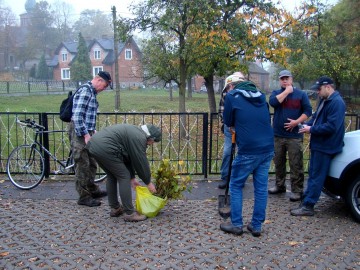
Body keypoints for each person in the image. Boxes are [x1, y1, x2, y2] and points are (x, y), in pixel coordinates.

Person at [220, 80, 274, 237]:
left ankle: (237, 224)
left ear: (232, 87)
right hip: (267, 148)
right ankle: (256, 226)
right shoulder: (261, 97)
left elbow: (228, 121)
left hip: (248, 149)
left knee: (236, 184)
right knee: (261, 187)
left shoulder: (232, 96)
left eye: (227, 90)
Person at [291, 76, 345, 216]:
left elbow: (331, 126)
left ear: (328, 87)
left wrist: (311, 130)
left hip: (326, 146)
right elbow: (315, 118)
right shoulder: (325, 100)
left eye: (319, 89)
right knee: (313, 174)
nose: (317, 93)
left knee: (316, 176)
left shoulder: (337, 103)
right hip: (319, 144)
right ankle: (306, 201)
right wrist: (305, 125)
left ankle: (308, 206)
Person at [86, 124, 162, 222]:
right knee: (124, 176)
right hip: (105, 147)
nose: (152, 144)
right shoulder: (139, 138)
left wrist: (133, 178)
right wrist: (148, 182)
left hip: (94, 145)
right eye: (153, 141)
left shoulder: (135, 132)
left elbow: (128, 158)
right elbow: (140, 161)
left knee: (112, 175)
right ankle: (129, 213)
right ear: (150, 137)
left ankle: (115, 208)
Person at [69, 71, 112, 207]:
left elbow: (87, 115)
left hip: (87, 132)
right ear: (98, 80)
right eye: (104, 86)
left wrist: (92, 131)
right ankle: (84, 196)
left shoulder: (92, 93)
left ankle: (92, 189)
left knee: (92, 162)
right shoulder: (86, 91)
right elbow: (77, 116)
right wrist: (86, 134)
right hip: (79, 133)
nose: (103, 89)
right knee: (82, 164)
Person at [268, 70, 312, 202]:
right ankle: (279, 185)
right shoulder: (277, 93)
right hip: (278, 135)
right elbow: (273, 103)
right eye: (282, 79)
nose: (285, 81)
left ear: (291, 79)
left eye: (287, 78)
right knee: (279, 162)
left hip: (294, 136)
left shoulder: (301, 94)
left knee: (296, 163)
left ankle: (297, 190)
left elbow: (308, 111)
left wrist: (296, 122)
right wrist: (287, 92)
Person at [218, 72, 245, 189]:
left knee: (242, 153)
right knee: (227, 152)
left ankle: (239, 178)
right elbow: (222, 110)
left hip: (243, 128)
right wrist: (226, 123)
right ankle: (225, 177)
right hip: (229, 128)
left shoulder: (247, 93)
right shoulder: (226, 93)